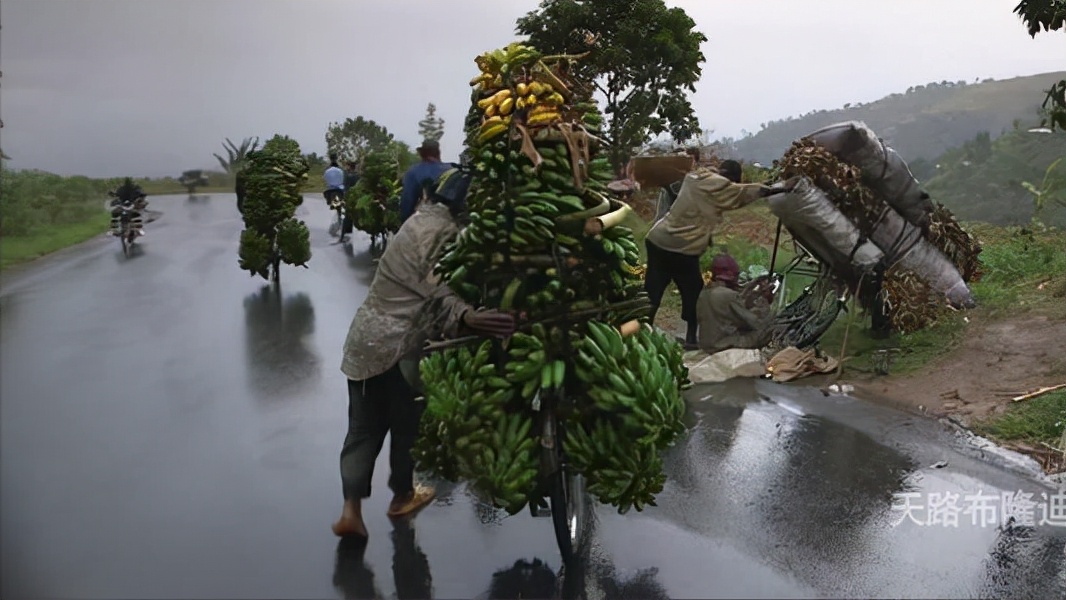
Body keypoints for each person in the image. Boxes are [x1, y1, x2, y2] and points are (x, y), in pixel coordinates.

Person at [333, 167, 516, 538]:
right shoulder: (442, 232)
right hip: (400, 346)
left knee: (362, 431)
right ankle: (402, 496)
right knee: (406, 426)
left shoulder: (418, 221)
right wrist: (469, 315)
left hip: (363, 342)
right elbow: (436, 290)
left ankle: (350, 511)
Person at [644, 159, 788, 346]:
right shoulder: (718, 185)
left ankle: (641, 332)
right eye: (732, 181)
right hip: (681, 247)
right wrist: (780, 189)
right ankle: (690, 338)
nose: (730, 185)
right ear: (729, 177)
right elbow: (744, 192)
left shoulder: (696, 177)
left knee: (653, 290)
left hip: (657, 239)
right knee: (693, 291)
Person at [696, 253, 775, 354]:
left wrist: (751, 291)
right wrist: (765, 300)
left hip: (707, 344)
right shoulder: (728, 295)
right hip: (722, 345)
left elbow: (730, 313)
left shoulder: (703, 293)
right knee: (769, 327)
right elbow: (754, 323)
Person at [399, 139, 450, 223]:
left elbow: (407, 202)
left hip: (428, 220)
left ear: (422, 154)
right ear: (438, 153)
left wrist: (404, 221)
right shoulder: (451, 169)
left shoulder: (414, 172)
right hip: (455, 219)